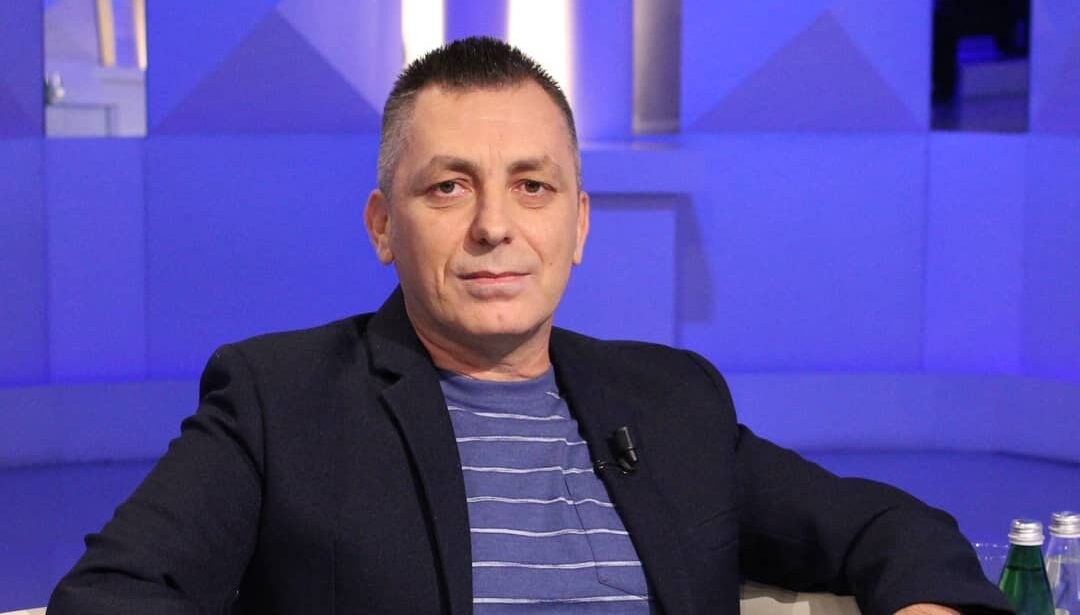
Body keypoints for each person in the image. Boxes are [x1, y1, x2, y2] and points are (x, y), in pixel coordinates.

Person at [49, 37, 1010, 615]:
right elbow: (110, 596)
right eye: (448, 186)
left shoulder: (674, 402)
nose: (494, 226)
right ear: (382, 226)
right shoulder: (279, 401)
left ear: (579, 225)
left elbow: (891, 527)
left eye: (533, 186)